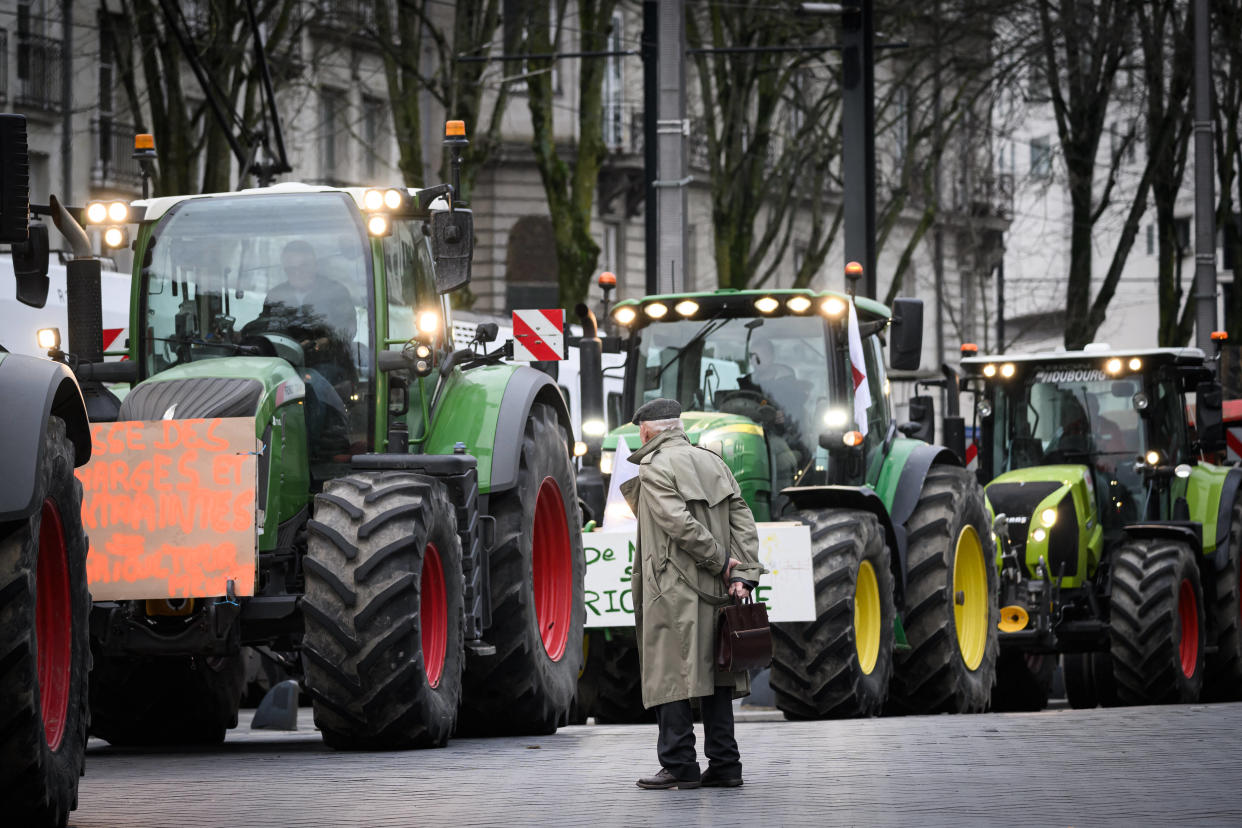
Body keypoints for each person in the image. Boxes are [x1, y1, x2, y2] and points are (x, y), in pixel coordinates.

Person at [620, 398, 765, 790]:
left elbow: (677, 524)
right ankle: (725, 764)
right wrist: (743, 573)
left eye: (640, 431)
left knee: (669, 674)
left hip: (671, 586)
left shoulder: (654, 467)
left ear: (648, 431)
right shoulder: (713, 461)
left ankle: (679, 764)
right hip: (716, 588)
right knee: (718, 670)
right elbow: (743, 520)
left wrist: (721, 562)